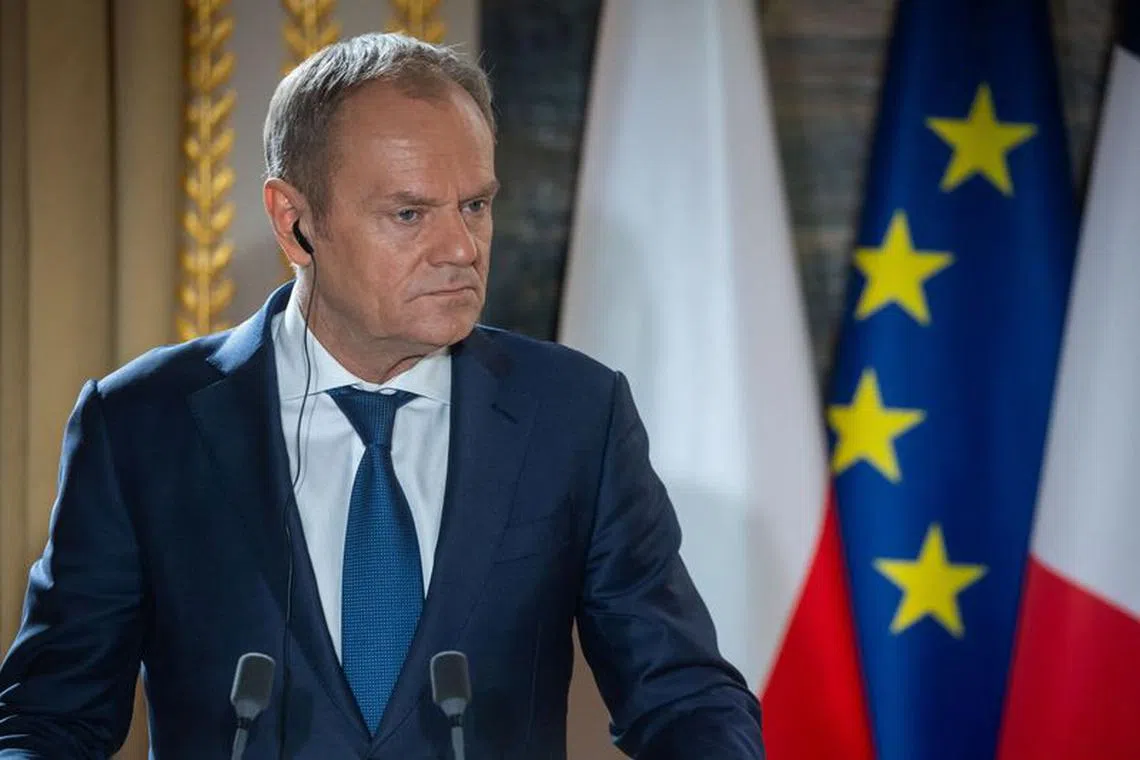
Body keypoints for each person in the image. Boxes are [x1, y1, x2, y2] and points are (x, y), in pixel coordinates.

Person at [0, 33, 764, 759]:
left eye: (475, 205)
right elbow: (49, 716)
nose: (462, 247)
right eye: (410, 214)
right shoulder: (142, 425)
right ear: (295, 224)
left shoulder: (573, 416)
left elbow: (683, 696)